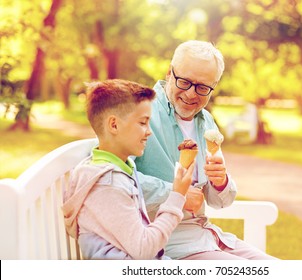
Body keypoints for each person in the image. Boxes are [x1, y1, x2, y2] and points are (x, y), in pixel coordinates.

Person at [82, 40, 277, 260]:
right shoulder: (139, 115)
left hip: (208, 235)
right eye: (184, 82)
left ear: (213, 87)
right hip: (169, 246)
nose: (192, 94)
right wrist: (176, 193)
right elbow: (115, 180)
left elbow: (218, 201)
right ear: (169, 73)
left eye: (203, 87)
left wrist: (221, 182)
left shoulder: (207, 122)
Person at [62, 79, 195, 259]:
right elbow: (144, 250)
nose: (149, 131)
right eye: (142, 123)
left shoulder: (121, 169)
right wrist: (177, 196)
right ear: (114, 125)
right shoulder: (107, 184)